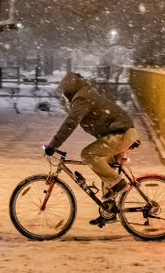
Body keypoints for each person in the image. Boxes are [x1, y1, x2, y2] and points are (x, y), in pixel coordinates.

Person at [44, 72, 139, 213]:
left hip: (121, 134)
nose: (64, 96)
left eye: (64, 92)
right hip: (121, 132)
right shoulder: (85, 93)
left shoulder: (82, 97)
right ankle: (110, 210)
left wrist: (54, 144)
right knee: (105, 166)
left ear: (69, 90)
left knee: (88, 154)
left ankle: (119, 184)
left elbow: (70, 123)